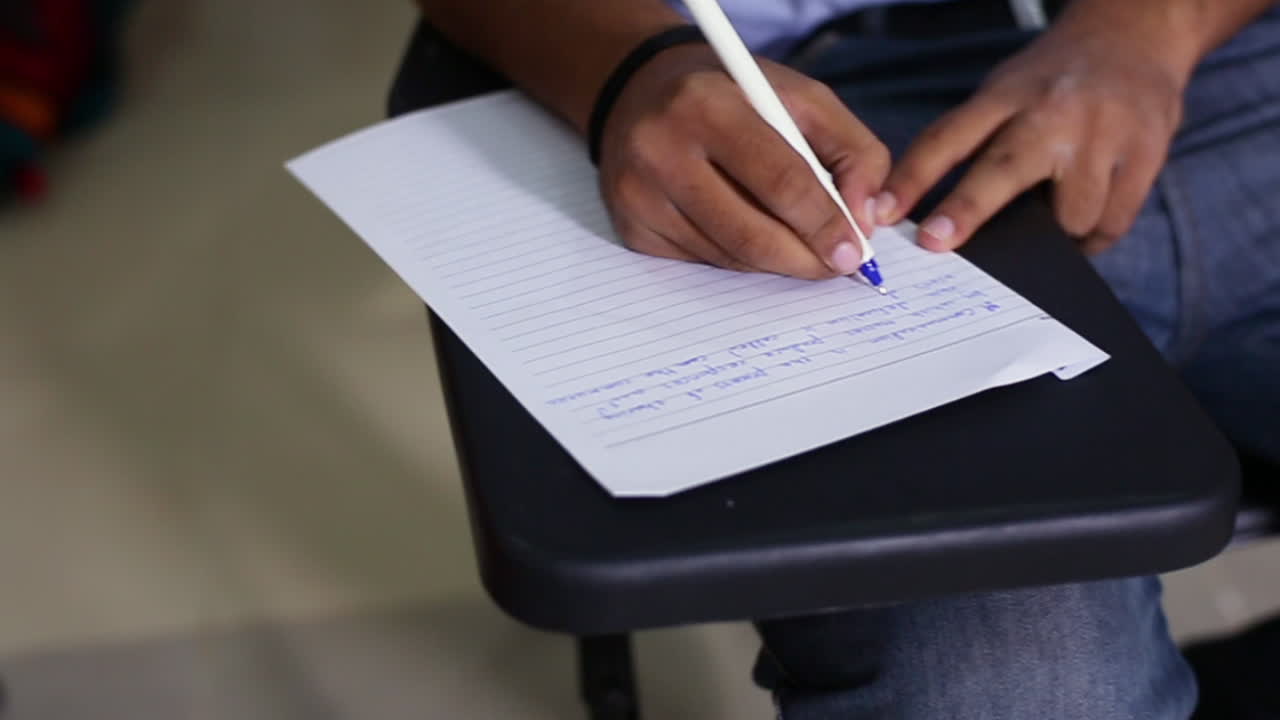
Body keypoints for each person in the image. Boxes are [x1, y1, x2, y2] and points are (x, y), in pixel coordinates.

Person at [417, 0, 1280, 717]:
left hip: (1222, 67)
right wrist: (627, 73)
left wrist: (1152, 28)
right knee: (1018, 688)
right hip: (760, 108)